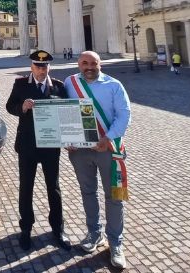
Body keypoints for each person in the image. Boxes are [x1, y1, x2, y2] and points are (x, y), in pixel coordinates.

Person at [63, 51, 131, 269]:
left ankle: (116, 243)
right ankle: (94, 234)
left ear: (99, 64)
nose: (89, 67)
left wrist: (108, 138)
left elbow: (124, 114)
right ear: (78, 64)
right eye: (84, 63)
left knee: (115, 196)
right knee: (88, 192)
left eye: (93, 63)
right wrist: (65, 138)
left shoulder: (114, 85)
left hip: (108, 149)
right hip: (80, 151)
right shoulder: (70, 82)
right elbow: (63, 112)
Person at [6, 50, 71, 251]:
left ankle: (58, 229)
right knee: (26, 187)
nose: (41, 70)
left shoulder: (59, 87)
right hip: (27, 145)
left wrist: (70, 137)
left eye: (45, 67)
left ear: (49, 67)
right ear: (31, 67)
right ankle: (26, 229)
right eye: (38, 66)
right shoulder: (21, 85)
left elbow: (67, 114)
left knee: (54, 188)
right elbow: (10, 107)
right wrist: (22, 108)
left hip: (50, 146)